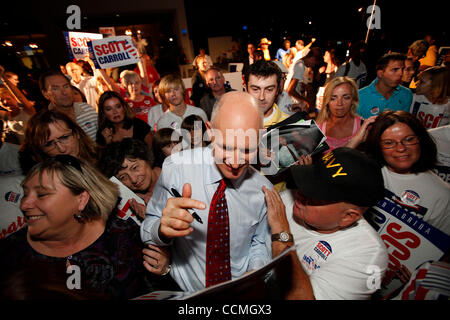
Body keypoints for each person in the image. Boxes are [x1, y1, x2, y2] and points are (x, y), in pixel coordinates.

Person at [141, 91, 273, 292]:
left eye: (247, 149)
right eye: (226, 147)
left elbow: (259, 242)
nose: (235, 162)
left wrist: (255, 272)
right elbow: (147, 228)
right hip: (185, 294)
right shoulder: (177, 169)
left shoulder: (263, 191)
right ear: (210, 132)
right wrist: (161, 230)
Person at [0, 155, 179, 299]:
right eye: (25, 194)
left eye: (42, 194)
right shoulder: (10, 255)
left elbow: (164, 291)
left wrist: (163, 270)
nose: (24, 205)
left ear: (81, 200)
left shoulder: (122, 235)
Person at [263, 147, 388, 299]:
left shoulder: (367, 257)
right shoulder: (291, 199)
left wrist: (281, 231)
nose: (302, 193)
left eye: (315, 195)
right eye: (309, 182)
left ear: (347, 217)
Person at [363, 110, 450, 235]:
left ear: (421, 140)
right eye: (389, 143)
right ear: (378, 145)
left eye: (408, 139)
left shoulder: (442, 195)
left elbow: (441, 248)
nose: (401, 148)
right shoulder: (366, 170)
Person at [18, 109, 98, 175]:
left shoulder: (103, 159)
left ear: (77, 133)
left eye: (65, 137)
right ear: (40, 150)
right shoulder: (46, 184)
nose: (62, 149)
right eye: (49, 144)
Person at [98, 138, 161, 220]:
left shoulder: (175, 174)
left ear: (147, 159)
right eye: (123, 177)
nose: (133, 179)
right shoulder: (130, 201)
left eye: (135, 168)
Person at [316, 77, 376, 152]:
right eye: (333, 98)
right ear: (327, 101)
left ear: (353, 100)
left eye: (346, 98)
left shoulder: (363, 128)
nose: (339, 103)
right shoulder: (317, 128)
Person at [39, 70, 98, 141]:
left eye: (66, 86)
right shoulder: (46, 124)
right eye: (55, 89)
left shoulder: (87, 109)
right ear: (45, 94)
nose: (64, 92)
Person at [357, 52, 413, 119]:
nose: (401, 74)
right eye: (395, 69)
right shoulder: (359, 97)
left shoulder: (406, 94)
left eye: (402, 69)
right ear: (380, 74)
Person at [245, 60, 291, 128]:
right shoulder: (233, 121)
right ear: (246, 89)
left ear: (277, 90)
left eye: (269, 90)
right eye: (255, 89)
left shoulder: (289, 125)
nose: (261, 97)